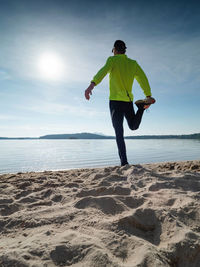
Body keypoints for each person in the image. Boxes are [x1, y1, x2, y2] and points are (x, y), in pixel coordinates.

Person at [85, 40, 155, 166]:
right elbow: (142, 78)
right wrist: (148, 95)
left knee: (119, 132)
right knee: (133, 126)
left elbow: (102, 72)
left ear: (115, 50)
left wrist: (92, 85)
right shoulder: (133, 64)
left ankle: (124, 162)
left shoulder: (112, 60)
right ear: (124, 50)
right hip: (128, 101)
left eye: (113, 51)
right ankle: (140, 108)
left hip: (115, 102)